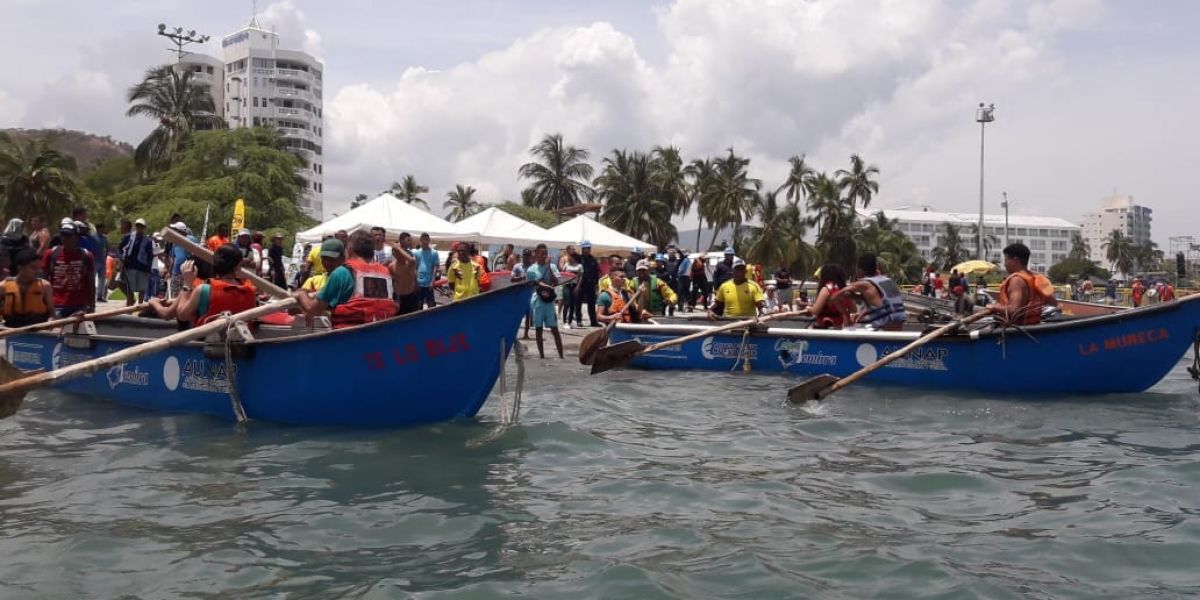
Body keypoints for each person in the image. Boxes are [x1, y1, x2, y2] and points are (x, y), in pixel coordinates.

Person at [293, 234, 397, 328]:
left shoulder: (342, 273)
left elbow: (312, 310)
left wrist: (301, 294)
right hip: (383, 332)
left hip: (350, 336)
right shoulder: (385, 273)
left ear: (349, 250)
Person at [162, 245, 258, 327]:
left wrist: (187, 283)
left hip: (207, 342)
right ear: (238, 266)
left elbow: (182, 315)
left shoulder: (203, 289)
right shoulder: (250, 291)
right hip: (240, 342)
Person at [834, 253, 907, 330]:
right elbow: (881, 303)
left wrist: (846, 315)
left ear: (859, 270)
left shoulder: (864, 283)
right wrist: (857, 302)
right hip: (898, 327)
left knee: (849, 329)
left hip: (884, 329)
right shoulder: (888, 280)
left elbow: (835, 297)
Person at [989, 242, 1056, 325]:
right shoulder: (1035, 278)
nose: (1004, 264)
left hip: (1016, 331)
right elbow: (1054, 303)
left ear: (1015, 260)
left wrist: (994, 307)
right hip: (1033, 327)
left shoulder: (1016, 280)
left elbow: (1014, 310)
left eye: (1006, 260)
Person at [41, 221, 95, 317]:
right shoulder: (51, 254)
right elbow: (44, 281)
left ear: (77, 237)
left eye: (69, 236)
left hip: (80, 306)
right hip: (56, 305)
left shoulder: (86, 255)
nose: (65, 239)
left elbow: (90, 281)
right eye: (63, 235)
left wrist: (92, 305)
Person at [526, 243, 563, 359]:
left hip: (549, 302)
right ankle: (542, 356)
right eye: (542, 253)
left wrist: (548, 268)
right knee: (538, 329)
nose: (544, 256)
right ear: (536, 254)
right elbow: (529, 285)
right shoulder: (531, 269)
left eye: (546, 253)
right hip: (537, 302)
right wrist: (538, 284)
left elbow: (556, 282)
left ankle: (561, 356)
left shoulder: (552, 267)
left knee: (554, 329)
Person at [1, 248, 54, 327]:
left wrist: (51, 321)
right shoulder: (3, 286)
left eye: (38, 267)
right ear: (20, 267)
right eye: (33, 267)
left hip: (39, 330)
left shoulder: (45, 286)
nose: (37, 271)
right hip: (11, 330)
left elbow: (52, 313)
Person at [800, 264, 853, 329]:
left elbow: (815, 311)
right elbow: (854, 309)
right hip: (840, 326)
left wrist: (808, 308)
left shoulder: (826, 289)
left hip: (825, 327)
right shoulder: (844, 289)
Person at [118, 218, 154, 306]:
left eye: (141, 226)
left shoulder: (148, 240)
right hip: (130, 266)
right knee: (129, 289)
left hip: (142, 267)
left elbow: (150, 256)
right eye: (138, 226)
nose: (139, 228)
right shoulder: (129, 237)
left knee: (142, 289)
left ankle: (140, 307)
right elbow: (120, 248)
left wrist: (148, 270)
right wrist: (122, 259)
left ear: (144, 227)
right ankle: (129, 307)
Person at [391, 231, 420, 314]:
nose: (410, 242)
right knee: (400, 313)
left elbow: (413, 269)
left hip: (411, 289)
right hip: (399, 292)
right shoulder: (395, 252)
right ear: (401, 241)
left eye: (410, 240)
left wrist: (416, 282)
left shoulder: (410, 253)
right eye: (408, 240)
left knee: (412, 312)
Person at [412, 233, 440, 309]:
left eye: (426, 239)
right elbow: (414, 268)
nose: (425, 241)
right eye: (423, 239)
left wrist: (432, 281)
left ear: (429, 240)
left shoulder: (434, 252)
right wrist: (415, 282)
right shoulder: (416, 253)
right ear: (420, 240)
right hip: (419, 283)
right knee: (418, 306)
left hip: (429, 284)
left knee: (431, 306)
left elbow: (435, 267)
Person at [577, 240, 600, 327]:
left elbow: (596, 272)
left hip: (591, 284)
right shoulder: (579, 258)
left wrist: (596, 283)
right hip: (581, 284)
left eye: (589, 248)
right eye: (586, 248)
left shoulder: (593, 259)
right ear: (583, 249)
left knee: (591, 303)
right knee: (578, 303)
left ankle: (593, 321)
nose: (588, 249)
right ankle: (579, 320)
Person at [512, 248, 534, 339]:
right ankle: (514, 333)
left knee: (528, 315)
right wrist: (522, 277)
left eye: (528, 256)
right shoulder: (517, 266)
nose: (526, 258)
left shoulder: (533, 267)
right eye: (525, 256)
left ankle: (526, 333)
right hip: (519, 292)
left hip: (530, 292)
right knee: (517, 314)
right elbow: (512, 279)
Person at [560, 249, 583, 329]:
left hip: (575, 285)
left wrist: (577, 287)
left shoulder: (579, 266)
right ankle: (564, 322)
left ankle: (570, 321)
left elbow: (580, 277)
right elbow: (562, 274)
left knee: (573, 304)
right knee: (566, 303)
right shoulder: (566, 265)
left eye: (570, 256)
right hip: (567, 285)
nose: (568, 258)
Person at [93, 222, 109, 299]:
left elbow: (107, 248)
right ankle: (91, 294)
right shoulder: (93, 237)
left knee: (102, 279)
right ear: (98, 228)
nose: (103, 230)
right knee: (92, 278)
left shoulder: (105, 238)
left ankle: (100, 295)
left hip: (102, 261)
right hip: (94, 261)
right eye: (102, 228)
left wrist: (105, 256)